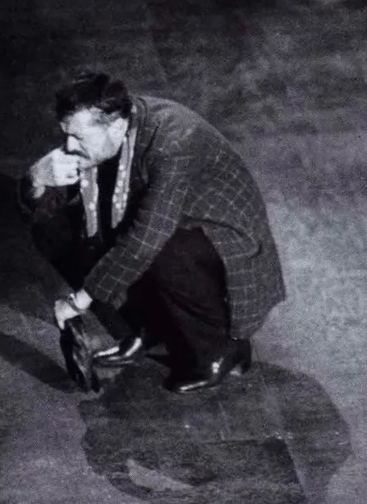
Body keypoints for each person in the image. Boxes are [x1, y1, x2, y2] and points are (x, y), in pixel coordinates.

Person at [19, 70, 286, 393]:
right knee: (58, 229)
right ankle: (149, 328)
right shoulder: (104, 132)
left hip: (224, 239)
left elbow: (144, 241)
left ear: (116, 127)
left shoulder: (175, 141)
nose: (68, 146)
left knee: (161, 251)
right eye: (66, 135)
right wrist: (37, 177)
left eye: (78, 138)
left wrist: (77, 303)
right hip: (166, 224)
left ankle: (219, 351)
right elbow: (47, 209)